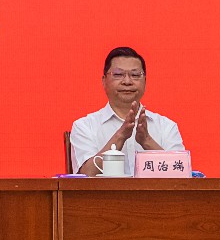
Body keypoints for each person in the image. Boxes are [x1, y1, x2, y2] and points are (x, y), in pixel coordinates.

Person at [69, 46, 185, 174]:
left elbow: (181, 175)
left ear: (145, 81)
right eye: (118, 75)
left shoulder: (166, 127)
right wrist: (121, 136)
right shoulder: (85, 126)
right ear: (104, 81)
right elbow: (85, 176)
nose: (127, 81)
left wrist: (147, 141)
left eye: (135, 75)